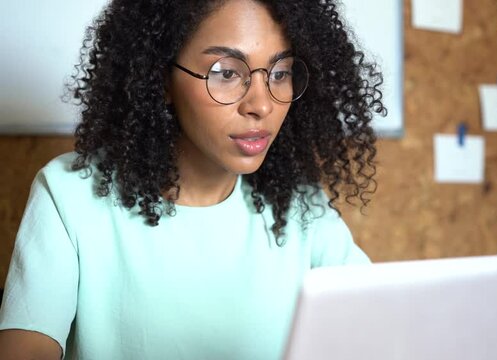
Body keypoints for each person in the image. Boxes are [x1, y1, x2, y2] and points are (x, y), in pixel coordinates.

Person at [0, 0, 385, 358]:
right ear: (159, 77)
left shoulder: (303, 208)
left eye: (280, 72)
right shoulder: (69, 194)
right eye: (227, 72)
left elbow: (380, 328)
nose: (262, 104)